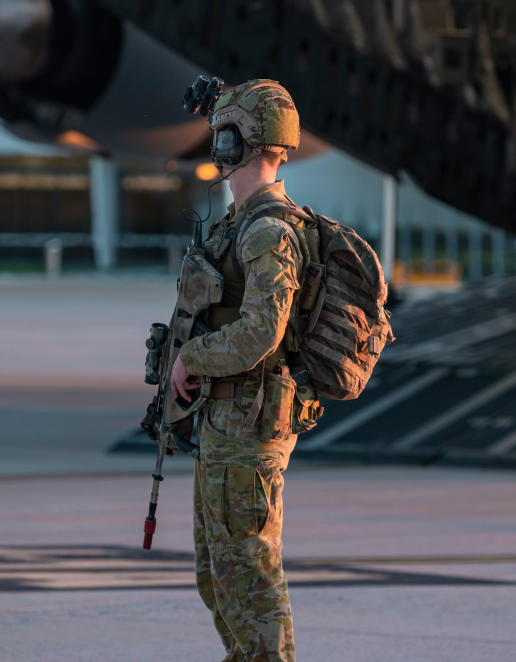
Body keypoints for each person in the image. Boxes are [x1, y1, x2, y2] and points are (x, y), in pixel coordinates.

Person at [169, 79, 306, 662]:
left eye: (221, 134)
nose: (215, 148)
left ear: (240, 141)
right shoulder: (242, 224)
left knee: (250, 576)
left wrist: (191, 358)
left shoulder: (269, 231)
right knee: (218, 573)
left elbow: (261, 332)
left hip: (249, 431)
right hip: (227, 427)